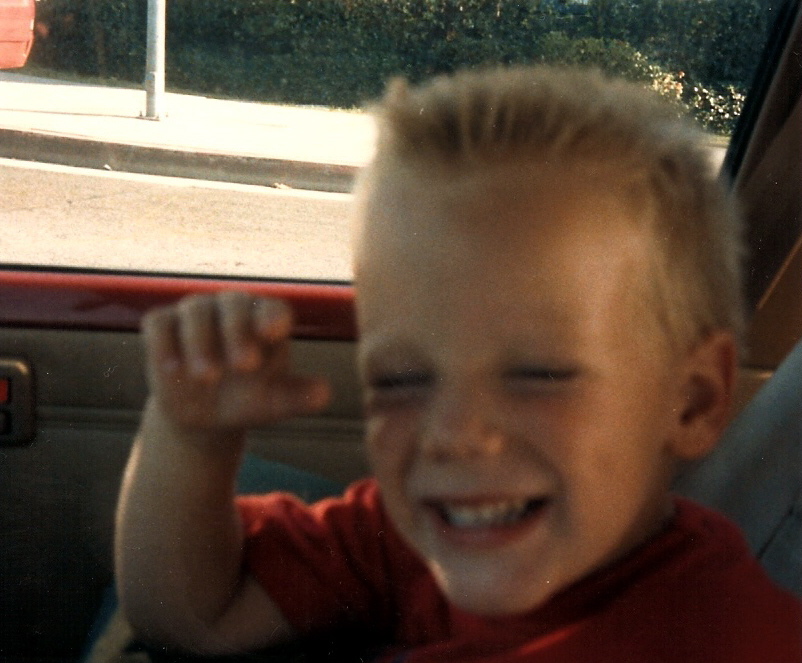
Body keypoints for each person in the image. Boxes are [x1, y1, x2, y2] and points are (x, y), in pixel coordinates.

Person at [114, 66, 802, 661]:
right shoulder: (429, 534)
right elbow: (197, 615)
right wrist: (192, 439)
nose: (451, 432)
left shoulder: (730, 641)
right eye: (401, 380)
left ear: (692, 400)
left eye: (537, 373)